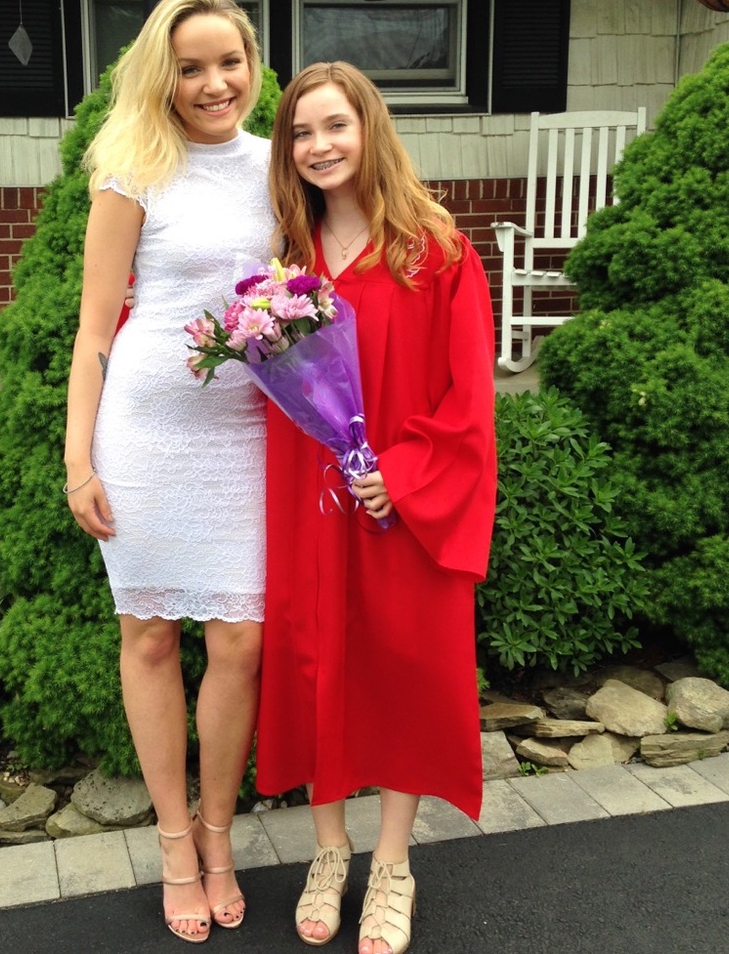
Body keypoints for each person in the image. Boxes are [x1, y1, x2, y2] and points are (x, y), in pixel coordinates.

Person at [257, 62, 497, 954]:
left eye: (335, 127)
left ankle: (392, 864)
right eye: (301, 134)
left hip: (402, 501)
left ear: (370, 129)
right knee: (317, 658)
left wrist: (404, 471)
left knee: (399, 661)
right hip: (310, 504)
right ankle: (329, 851)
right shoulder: (286, 263)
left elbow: (470, 395)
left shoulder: (434, 252)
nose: (319, 147)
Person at [64, 0, 274, 945]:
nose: (212, 82)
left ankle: (221, 835)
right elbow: (94, 325)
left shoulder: (283, 169)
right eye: (190, 67)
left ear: (251, 65)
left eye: (227, 62)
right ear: (163, 74)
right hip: (146, 432)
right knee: (149, 637)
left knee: (238, 643)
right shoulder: (131, 167)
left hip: (249, 437)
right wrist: (79, 459)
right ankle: (173, 845)